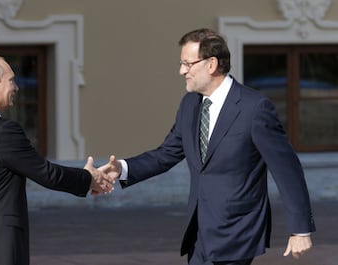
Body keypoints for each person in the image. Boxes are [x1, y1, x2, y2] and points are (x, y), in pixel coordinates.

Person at [99, 28, 315, 265]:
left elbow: (287, 170)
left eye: (187, 64)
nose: (182, 71)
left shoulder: (254, 109)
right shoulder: (190, 103)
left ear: (211, 64)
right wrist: (121, 168)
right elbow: (166, 154)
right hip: (198, 233)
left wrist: (300, 230)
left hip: (237, 232)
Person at [0, 54, 114, 265]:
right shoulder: (3, 131)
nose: (16, 87)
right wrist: (88, 178)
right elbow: (46, 173)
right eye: (11, 80)